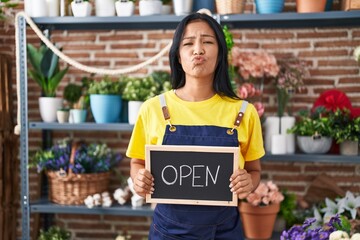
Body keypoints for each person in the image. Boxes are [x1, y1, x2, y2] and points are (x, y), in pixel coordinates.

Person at [127, 12, 264, 240]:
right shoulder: (152, 109)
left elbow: (255, 170)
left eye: (208, 42)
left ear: (220, 53)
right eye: (188, 43)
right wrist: (139, 178)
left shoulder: (244, 112)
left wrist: (249, 182)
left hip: (225, 231)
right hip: (168, 232)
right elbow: (137, 162)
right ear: (178, 56)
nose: (198, 50)